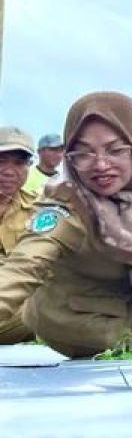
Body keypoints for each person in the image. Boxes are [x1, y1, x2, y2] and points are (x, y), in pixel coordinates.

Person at [0, 93, 132, 357]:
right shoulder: (68, 204)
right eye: (83, 153)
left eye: (116, 150)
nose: (101, 165)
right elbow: (22, 268)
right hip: (90, 326)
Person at [0, 128, 39, 344]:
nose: (8, 171)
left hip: (24, 305)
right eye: (1, 161)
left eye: (18, 163)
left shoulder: (41, 209)